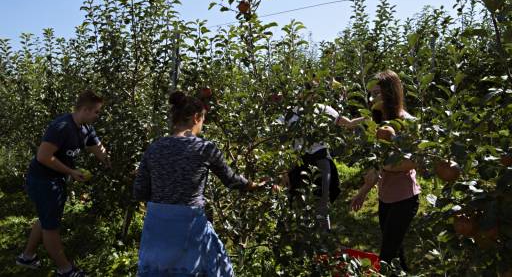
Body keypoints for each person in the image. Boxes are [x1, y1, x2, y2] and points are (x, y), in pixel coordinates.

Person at [133, 91, 265, 276]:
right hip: (188, 227)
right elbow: (231, 180)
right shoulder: (204, 148)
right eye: (203, 119)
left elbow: (139, 192)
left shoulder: (154, 148)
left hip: (158, 228)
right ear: (196, 118)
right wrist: (253, 185)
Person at [16, 90, 110, 277]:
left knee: (45, 217)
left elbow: (98, 149)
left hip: (55, 180)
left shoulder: (86, 128)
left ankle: (27, 257)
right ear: (85, 109)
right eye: (96, 112)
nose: (98, 116)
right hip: (43, 180)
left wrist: (110, 162)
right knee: (51, 227)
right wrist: (71, 172)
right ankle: (65, 270)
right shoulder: (61, 127)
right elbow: (43, 157)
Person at [350, 70, 420, 272]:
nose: (374, 99)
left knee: (386, 257)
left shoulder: (407, 122)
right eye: (372, 94)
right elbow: (376, 164)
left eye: (378, 93)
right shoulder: (379, 123)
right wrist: (362, 193)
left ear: (391, 93)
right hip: (385, 198)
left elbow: (417, 161)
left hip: (405, 198)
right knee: (396, 252)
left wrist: (389, 166)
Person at [284, 81, 366, 232]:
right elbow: (281, 142)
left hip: (320, 160)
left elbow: (348, 123)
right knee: (298, 202)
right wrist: (284, 171)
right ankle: (302, 239)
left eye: (312, 91)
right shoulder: (291, 114)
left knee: (321, 202)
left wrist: (369, 116)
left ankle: (323, 240)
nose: (309, 95)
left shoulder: (324, 109)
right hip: (298, 163)